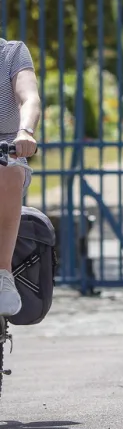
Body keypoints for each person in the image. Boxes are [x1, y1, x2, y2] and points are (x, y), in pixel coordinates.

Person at [0, 38, 41, 316]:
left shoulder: (12, 52)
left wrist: (25, 131)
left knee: (10, 172)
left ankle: (3, 275)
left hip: (5, 147)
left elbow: (30, 97)